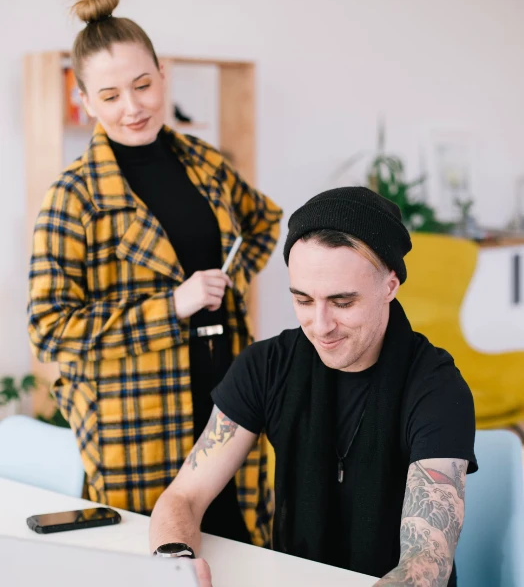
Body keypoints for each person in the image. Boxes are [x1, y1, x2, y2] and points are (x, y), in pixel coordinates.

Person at [27, 0, 282, 547]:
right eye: (110, 96)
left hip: (228, 394)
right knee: (154, 557)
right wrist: (172, 307)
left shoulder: (203, 162)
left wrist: (228, 284)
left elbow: (263, 221)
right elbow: (48, 331)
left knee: (244, 545)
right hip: (134, 419)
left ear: (163, 74)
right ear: (84, 100)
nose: (133, 107)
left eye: (143, 85)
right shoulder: (72, 196)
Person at [149, 187, 477, 587]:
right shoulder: (266, 366)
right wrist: (175, 562)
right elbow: (183, 497)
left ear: (390, 286)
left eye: (342, 302)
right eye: (303, 300)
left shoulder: (437, 388)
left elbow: (427, 563)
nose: (320, 326)